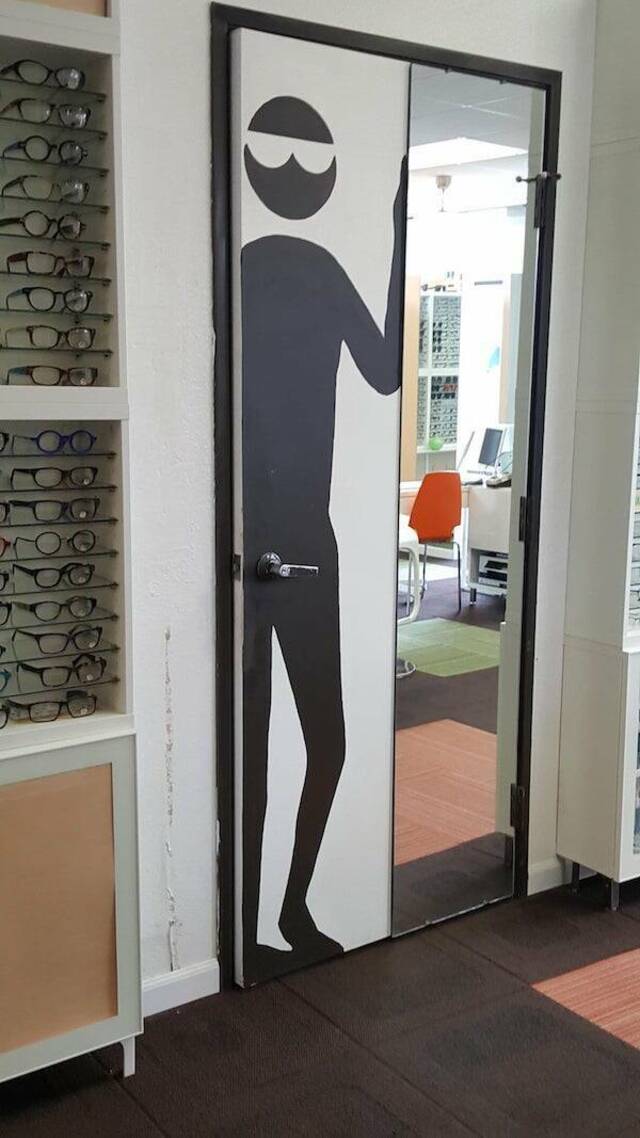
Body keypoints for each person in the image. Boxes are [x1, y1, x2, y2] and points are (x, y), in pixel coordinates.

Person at [241, 95, 406, 983]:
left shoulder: (248, 267)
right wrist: (400, 241)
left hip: (263, 535)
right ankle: (284, 911)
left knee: (267, 744)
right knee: (313, 742)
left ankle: (265, 920)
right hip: (295, 534)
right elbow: (385, 372)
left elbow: (379, 375)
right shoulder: (313, 269)